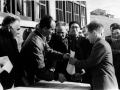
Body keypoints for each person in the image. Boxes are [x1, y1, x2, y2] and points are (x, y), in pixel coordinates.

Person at [20, 15, 70, 85]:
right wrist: (56, 76)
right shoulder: (35, 41)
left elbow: (48, 51)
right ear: (45, 29)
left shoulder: (39, 36)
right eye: (52, 29)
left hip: (32, 76)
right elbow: (40, 70)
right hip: (29, 79)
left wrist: (62, 56)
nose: (53, 32)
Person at [69, 21, 118, 90]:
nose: (86, 37)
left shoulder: (100, 44)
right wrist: (83, 76)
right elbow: (96, 66)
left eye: (87, 34)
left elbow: (90, 63)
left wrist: (75, 62)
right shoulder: (100, 43)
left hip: (104, 84)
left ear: (94, 33)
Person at [0, 14, 23, 89]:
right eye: (17, 29)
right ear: (9, 28)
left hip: (13, 83)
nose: (19, 32)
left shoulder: (12, 38)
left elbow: (17, 60)